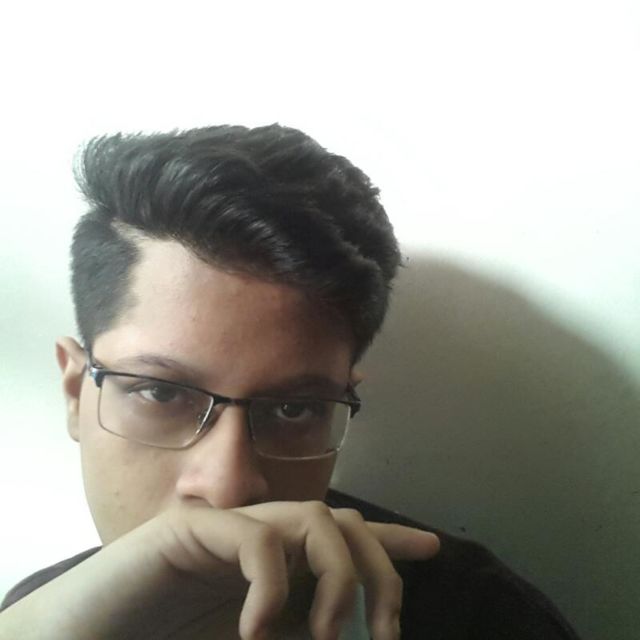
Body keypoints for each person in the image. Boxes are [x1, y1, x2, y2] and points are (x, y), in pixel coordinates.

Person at [0, 124, 580, 639]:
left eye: (294, 409)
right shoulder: (43, 614)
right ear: (75, 393)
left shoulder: (484, 620)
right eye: (161, 393)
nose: (227, 489)